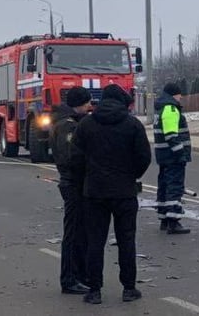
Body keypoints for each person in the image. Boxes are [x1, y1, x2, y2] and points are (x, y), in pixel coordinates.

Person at [71, 84, 151, 306]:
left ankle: (94, 289)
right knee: (126, 240)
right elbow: (144, 156)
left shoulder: (86, 124)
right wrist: (130, 175)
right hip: (124, 191)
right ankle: (129, 288)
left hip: (95, 192)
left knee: (95, 241)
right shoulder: (132, 124)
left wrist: (87, 177)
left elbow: (75, 157)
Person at [48, 87, 94, 296]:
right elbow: (70, 156)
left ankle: (80, 274)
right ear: (79, 104)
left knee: (81, 232)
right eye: (87, 103)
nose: (90, 107)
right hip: (73, 183)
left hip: (75, 182)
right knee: (74, 233)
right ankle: (69, 279)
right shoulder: (67, 126)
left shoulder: (69, 122)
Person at [153, 83, 191, 235]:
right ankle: (173, 221)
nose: (180, 97)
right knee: (174, 187)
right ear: (174, 95)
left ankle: (164, 218)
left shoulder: (161, 108)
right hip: (172, 156)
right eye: (179, 94)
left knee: (164, 186)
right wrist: (180, 153)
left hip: (163, 155)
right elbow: (171, 135)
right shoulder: (170, 108)